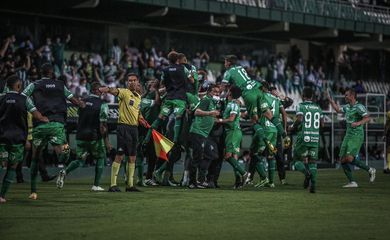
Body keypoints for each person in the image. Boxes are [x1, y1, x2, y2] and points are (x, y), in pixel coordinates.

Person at [22, 63, 85, 200]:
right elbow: (72, 98)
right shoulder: (60, 84)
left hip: (40, 125)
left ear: (41, 72)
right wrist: (80, 103)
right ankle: (65, 153)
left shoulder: (34, 84)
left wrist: (34, 111)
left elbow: (23, 96)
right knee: (62, 155)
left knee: (35, 157)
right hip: (57, 123)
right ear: (52, 73)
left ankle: (33, 192)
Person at [0, 75, 48, 203]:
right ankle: (2, 196)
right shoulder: (24, 99)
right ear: (18, 86)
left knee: (2, 163)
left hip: (2, 138)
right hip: (17, 139)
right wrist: (45, 119)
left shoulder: (1, 98)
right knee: (12, 167)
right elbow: (37, 115)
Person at [56, 82, 110, 191]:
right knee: (100, 158)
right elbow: (103, 126)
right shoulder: (102, 104)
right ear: (97, 91)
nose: (103, 92)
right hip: (94, 137)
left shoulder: (82, 102)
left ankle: (65, 171)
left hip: (80, 136)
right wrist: (107, 141)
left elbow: (79, 117)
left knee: (80, 160)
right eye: (101, 90)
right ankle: (96, 185)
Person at [99, 73, 148, 192]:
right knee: (120, 155)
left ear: (138, 82)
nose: (131, 82)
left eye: (134, 80)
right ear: (127, 82)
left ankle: (130, 185)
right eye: (129, 80)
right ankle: (112, 185)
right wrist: (106, 89)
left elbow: (137, 112)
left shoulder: (138, 97)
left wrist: (142, 120)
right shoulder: (125, 92)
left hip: (134, 129)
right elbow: (114, 91)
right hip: (123, 128)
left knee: (132, 157)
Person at [326, 88, 376, 188]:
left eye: (346, 95)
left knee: (349, 158)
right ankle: (353, 182)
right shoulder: (347, 107)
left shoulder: (359, 107)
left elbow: (367, 118)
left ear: (352, 96)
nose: (345, 97)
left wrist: (358, 123)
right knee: (342, 160)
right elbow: (337, 110)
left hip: (357, 136)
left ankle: (370, 170)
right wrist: (331, 101)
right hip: (348, 135)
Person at [290, 87, 323, 193]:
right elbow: (322, 124)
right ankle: (313, 185)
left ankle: (306, 173)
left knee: (296, 160)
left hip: (304, 137)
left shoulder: (301, 106)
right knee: (312, 162)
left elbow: (299, 119)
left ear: (303, 96)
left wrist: (292, 127)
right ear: (312, 96)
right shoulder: (318, 107)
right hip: (315, 138)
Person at [217, 86, 250, 188]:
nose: (226, 92)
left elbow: (231, 119)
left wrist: (219, 120)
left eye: (228, 91)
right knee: (234, 157)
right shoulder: (234, 103)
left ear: (230, 93)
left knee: (227, 156)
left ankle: (244, 174)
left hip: (232, 132)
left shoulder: (233, 104)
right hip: (234, 132)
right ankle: (238, 182)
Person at [188, 85, 220, 188]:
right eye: (215, 92)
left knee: (200, 157)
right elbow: (197, 112)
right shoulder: (206, 100)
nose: (217, 94)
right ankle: (192, 183)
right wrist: (210, 113)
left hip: (203, 133)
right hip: (198, 132)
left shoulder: (212, 102)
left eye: (218, 92)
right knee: (196, 158)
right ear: (209, 92)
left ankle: (197, 181)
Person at [250, 82, 279, 189]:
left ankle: (263, 178)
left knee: (255, 153)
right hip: (274, 130)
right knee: (271, 156)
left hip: (264, 129)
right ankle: (271, 182)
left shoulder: (261, 96)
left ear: (262, 88)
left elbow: (259, 113)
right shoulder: (276, 99)